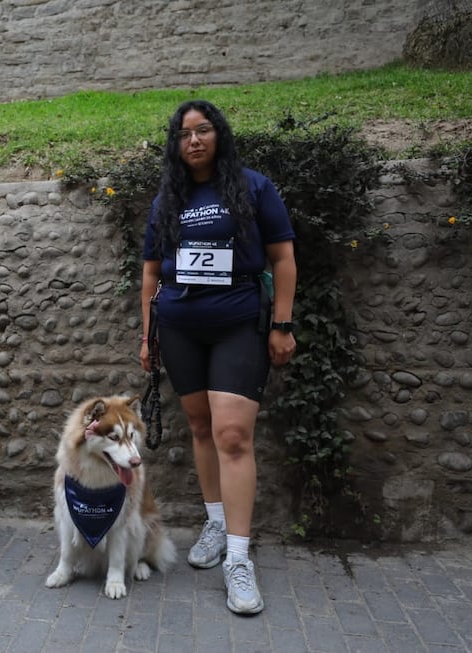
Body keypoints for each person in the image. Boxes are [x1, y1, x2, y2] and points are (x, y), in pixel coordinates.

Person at [139, 100, 297, 614]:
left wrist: (282, 324)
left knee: (233, 435)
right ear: (175, 144)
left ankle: (239, 557)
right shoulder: (168, 197)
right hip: (181, 327)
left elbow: (283, 257)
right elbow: (151, 272)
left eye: (203, 130)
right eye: (184, 134)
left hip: (237, 324)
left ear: (218, 135)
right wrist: (148, 337)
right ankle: (214, 520)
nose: (194, 140)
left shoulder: (253, 186)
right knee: (201, 427)